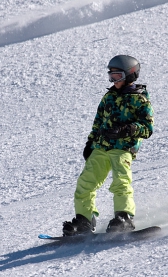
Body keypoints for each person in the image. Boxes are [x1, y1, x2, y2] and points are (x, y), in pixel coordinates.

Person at [62, 55, 154, 236]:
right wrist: (90, 142)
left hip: (123, 149)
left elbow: (147, 128)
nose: (113, 80)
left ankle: (124, 217)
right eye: (111, 77)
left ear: (129, 76)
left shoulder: (139, 99)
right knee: (85, 183)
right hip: (101, 147)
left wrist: (127, 130)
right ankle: (84, 219)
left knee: (121, 182)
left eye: (117, 76)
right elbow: (98, 122)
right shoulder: (109, 97)